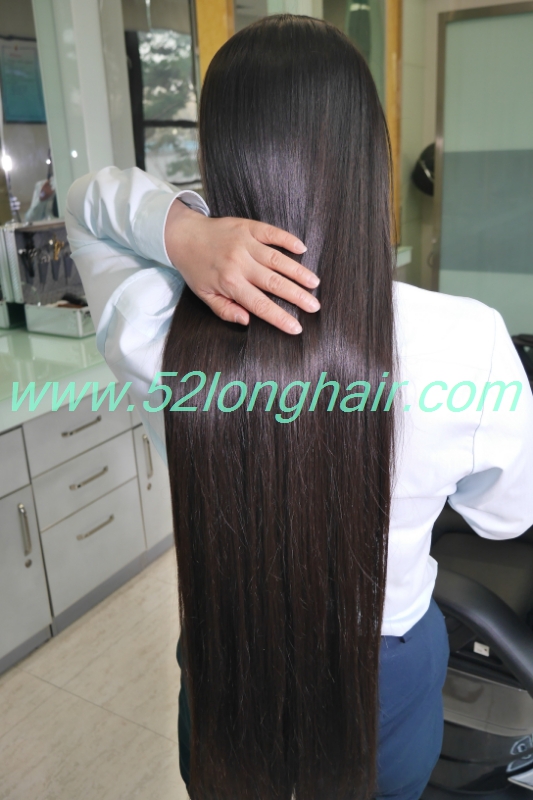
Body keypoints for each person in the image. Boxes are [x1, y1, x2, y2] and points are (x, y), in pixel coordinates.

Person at [65, 15, 533, 800]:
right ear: (366, 153)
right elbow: (505, 516)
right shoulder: (467, 340)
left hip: (225, 653)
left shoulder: (152, 327)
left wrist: (183, 231)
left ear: (221, 155)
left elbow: (88, 201)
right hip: (385, 665)